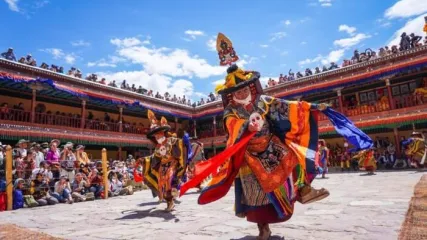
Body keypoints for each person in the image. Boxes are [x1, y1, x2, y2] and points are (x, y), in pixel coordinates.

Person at [179, 33, 373, 240]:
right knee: (257, 194)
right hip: (249, 155)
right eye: (237, 91)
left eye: (244, 88)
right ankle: (263, 227)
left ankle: (303, 189)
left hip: (273, 147)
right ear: (230, 95)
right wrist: (248, 126)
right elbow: (232, 127)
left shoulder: (264, 101)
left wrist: (314, 107)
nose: (242, 93)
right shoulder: (230, 112)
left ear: (251, 87)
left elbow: (289, 107)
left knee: (294, 157)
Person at [142, 110, 189, 212]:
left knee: (170, 180)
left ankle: (173, 196)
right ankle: (170, 202)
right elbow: (155, 158)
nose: (156, 137)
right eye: (155, 136)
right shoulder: (158, 147)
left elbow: (180, 144)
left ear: (162, 133)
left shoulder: (171, 140)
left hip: (172, 164)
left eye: (158, 135)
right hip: (162, 167)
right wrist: (145, 160)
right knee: (163, 186)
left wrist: (183, 138)